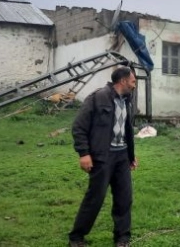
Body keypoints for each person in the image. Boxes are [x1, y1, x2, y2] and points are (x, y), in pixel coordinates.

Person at [68, 66, 139, 247]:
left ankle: (122, 238)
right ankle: (76, 238)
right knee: (95, 198)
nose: (134, 85)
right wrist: (84, 153)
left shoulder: (127, 100)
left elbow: (126, 131)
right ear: (123, 80)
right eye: (133, 81)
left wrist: (131, 155)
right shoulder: (97, 98)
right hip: (103, 157)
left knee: (124, 198)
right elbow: (79, 127)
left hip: (122, 156)